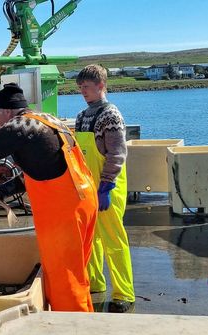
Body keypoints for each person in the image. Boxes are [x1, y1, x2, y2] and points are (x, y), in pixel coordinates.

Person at [0, 83, 97, 312]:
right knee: (76, 272)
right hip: (82, 201)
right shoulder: (46, 121)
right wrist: (3, 190)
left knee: (65, 280)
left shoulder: (20, 125)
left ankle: (71, 325)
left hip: (64, 213)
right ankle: (87, 320)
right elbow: (41, 169)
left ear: (6, 112)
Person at [75, 64, 135, 313]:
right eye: (80, 88)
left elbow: (117, 155)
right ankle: (96, 283)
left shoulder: (111, 116)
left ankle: (124, 293)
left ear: (101, 85)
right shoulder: (81, 116)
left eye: (87, 87)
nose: (83, 92)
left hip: (108, 188)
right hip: (89, 187)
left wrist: (107, 185)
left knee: (114, 240)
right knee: (92, 239)